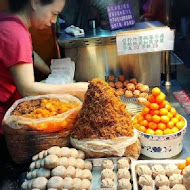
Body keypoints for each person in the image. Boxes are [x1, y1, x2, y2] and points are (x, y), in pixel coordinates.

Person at [0, 0, 89, 135]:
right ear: (35, 3)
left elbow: (28, 54)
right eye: (54, 13)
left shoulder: (10, 22)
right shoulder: (15, 33)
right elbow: (26, 88)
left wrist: (51, 72)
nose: (54, 21)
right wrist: (76, 89)